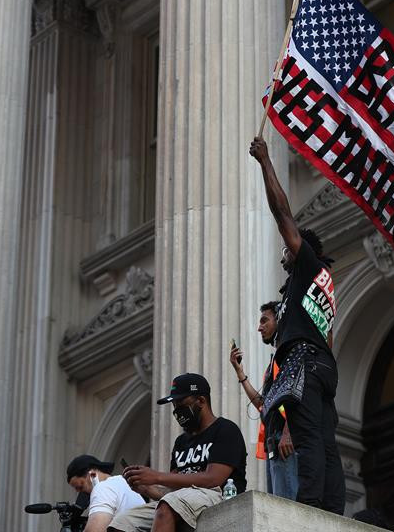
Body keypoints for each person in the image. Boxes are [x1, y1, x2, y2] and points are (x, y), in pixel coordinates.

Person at [249, 135, 345, 514]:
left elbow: (282, 213)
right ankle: (332, 509)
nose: (283, 254)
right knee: (325, 441)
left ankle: (308, 508)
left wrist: (265, 162)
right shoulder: (319, 286)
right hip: (323, 365)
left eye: (288, 249)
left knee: (307, 439)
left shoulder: (308, 267)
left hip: (304, 365)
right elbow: (330, 336)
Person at [111, 373, 247, 532]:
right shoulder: (181, 442)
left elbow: (214, 478)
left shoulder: (225, 429)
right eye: (174, 405)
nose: (177, 411)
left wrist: (157, 476)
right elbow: (172, 491)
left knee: (166, 507)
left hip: (217, 495)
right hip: (180, 501)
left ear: (201, 401)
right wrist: (146, 489)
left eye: (181, 404)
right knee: (121, 523)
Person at [229, 301, 298, 499]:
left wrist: (288, 431)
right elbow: (262, 404)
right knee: (278, 503)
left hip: (283, 441)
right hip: (274, 443)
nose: (259, 327)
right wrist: (240, 372)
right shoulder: (274, 362)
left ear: (280, 320)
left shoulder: (289, 355)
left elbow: (297, 394)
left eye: (264, 321)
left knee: (287, 505)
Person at [66, 454, 146, 532]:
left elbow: (96, 530)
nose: (80, 492)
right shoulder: (124, 482)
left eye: (81, 486)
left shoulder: (102, 488)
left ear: (92, 474)